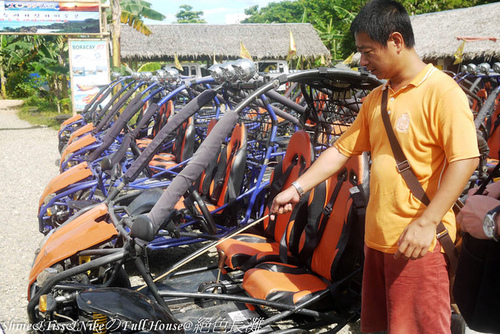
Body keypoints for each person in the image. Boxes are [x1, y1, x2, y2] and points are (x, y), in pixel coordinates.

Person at [270, 0, 480, 333]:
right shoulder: (377, 98)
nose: (363, 61)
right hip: (378, 242)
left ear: (396, 41)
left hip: (418, 244)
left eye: (368, 51)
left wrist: (427, 222)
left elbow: (465, 159)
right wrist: (297, 188)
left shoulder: (441, 92)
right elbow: (341, 150)